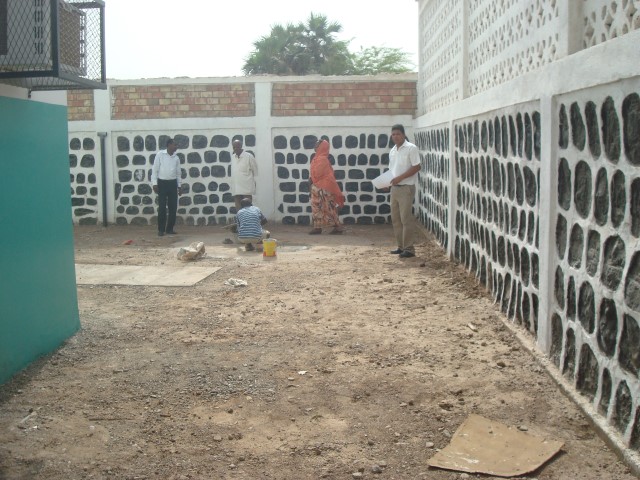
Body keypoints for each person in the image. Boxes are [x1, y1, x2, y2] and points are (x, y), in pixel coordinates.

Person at [388, 124, 421, 258]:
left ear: (403, 135)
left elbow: (417, 167)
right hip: (394, 188)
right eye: (393, 134)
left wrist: (400, 178)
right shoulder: (392, 150)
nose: (395, 136)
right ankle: (401, 246)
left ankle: (409, 249)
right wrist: (387, 183)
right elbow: (392, 170)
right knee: (396, 219)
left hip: (406, 188)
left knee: (405, 219)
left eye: (398, 134)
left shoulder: (411, 148)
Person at [308, 138, 345, 234]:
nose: (315, 146)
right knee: (316, 208)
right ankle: (317, 227)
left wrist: (311, 181)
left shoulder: (322, 159)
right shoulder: (316, 158)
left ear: (322, 147)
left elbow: (318, 174)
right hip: (317, 187)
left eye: (317, 145)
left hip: (324, 187)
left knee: (329, 208)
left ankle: (337, 227)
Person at [151, 138, 182, 237]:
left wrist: (179, 186)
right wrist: (154, 183)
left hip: (172, 184)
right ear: (169, 145)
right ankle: (161, 229)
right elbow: (155, 170)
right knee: (162, 207)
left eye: (176, 145)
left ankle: (170, 229)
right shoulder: (160, 155)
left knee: (173, 207)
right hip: (162, 183)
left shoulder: (176, 158)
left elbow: (178, 173)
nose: (176, 147)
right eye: (174, 145)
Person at [231, 139, 258, 212]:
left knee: (248, 208)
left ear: (241, 146)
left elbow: (255, 171)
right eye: (234, 147)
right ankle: (240, 219)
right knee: (238, 208)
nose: (235, 149)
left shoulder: (249, 156)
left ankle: (249, 219)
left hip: (247, 188)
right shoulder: (233, 157)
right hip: (236, 187)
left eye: (237, 147)